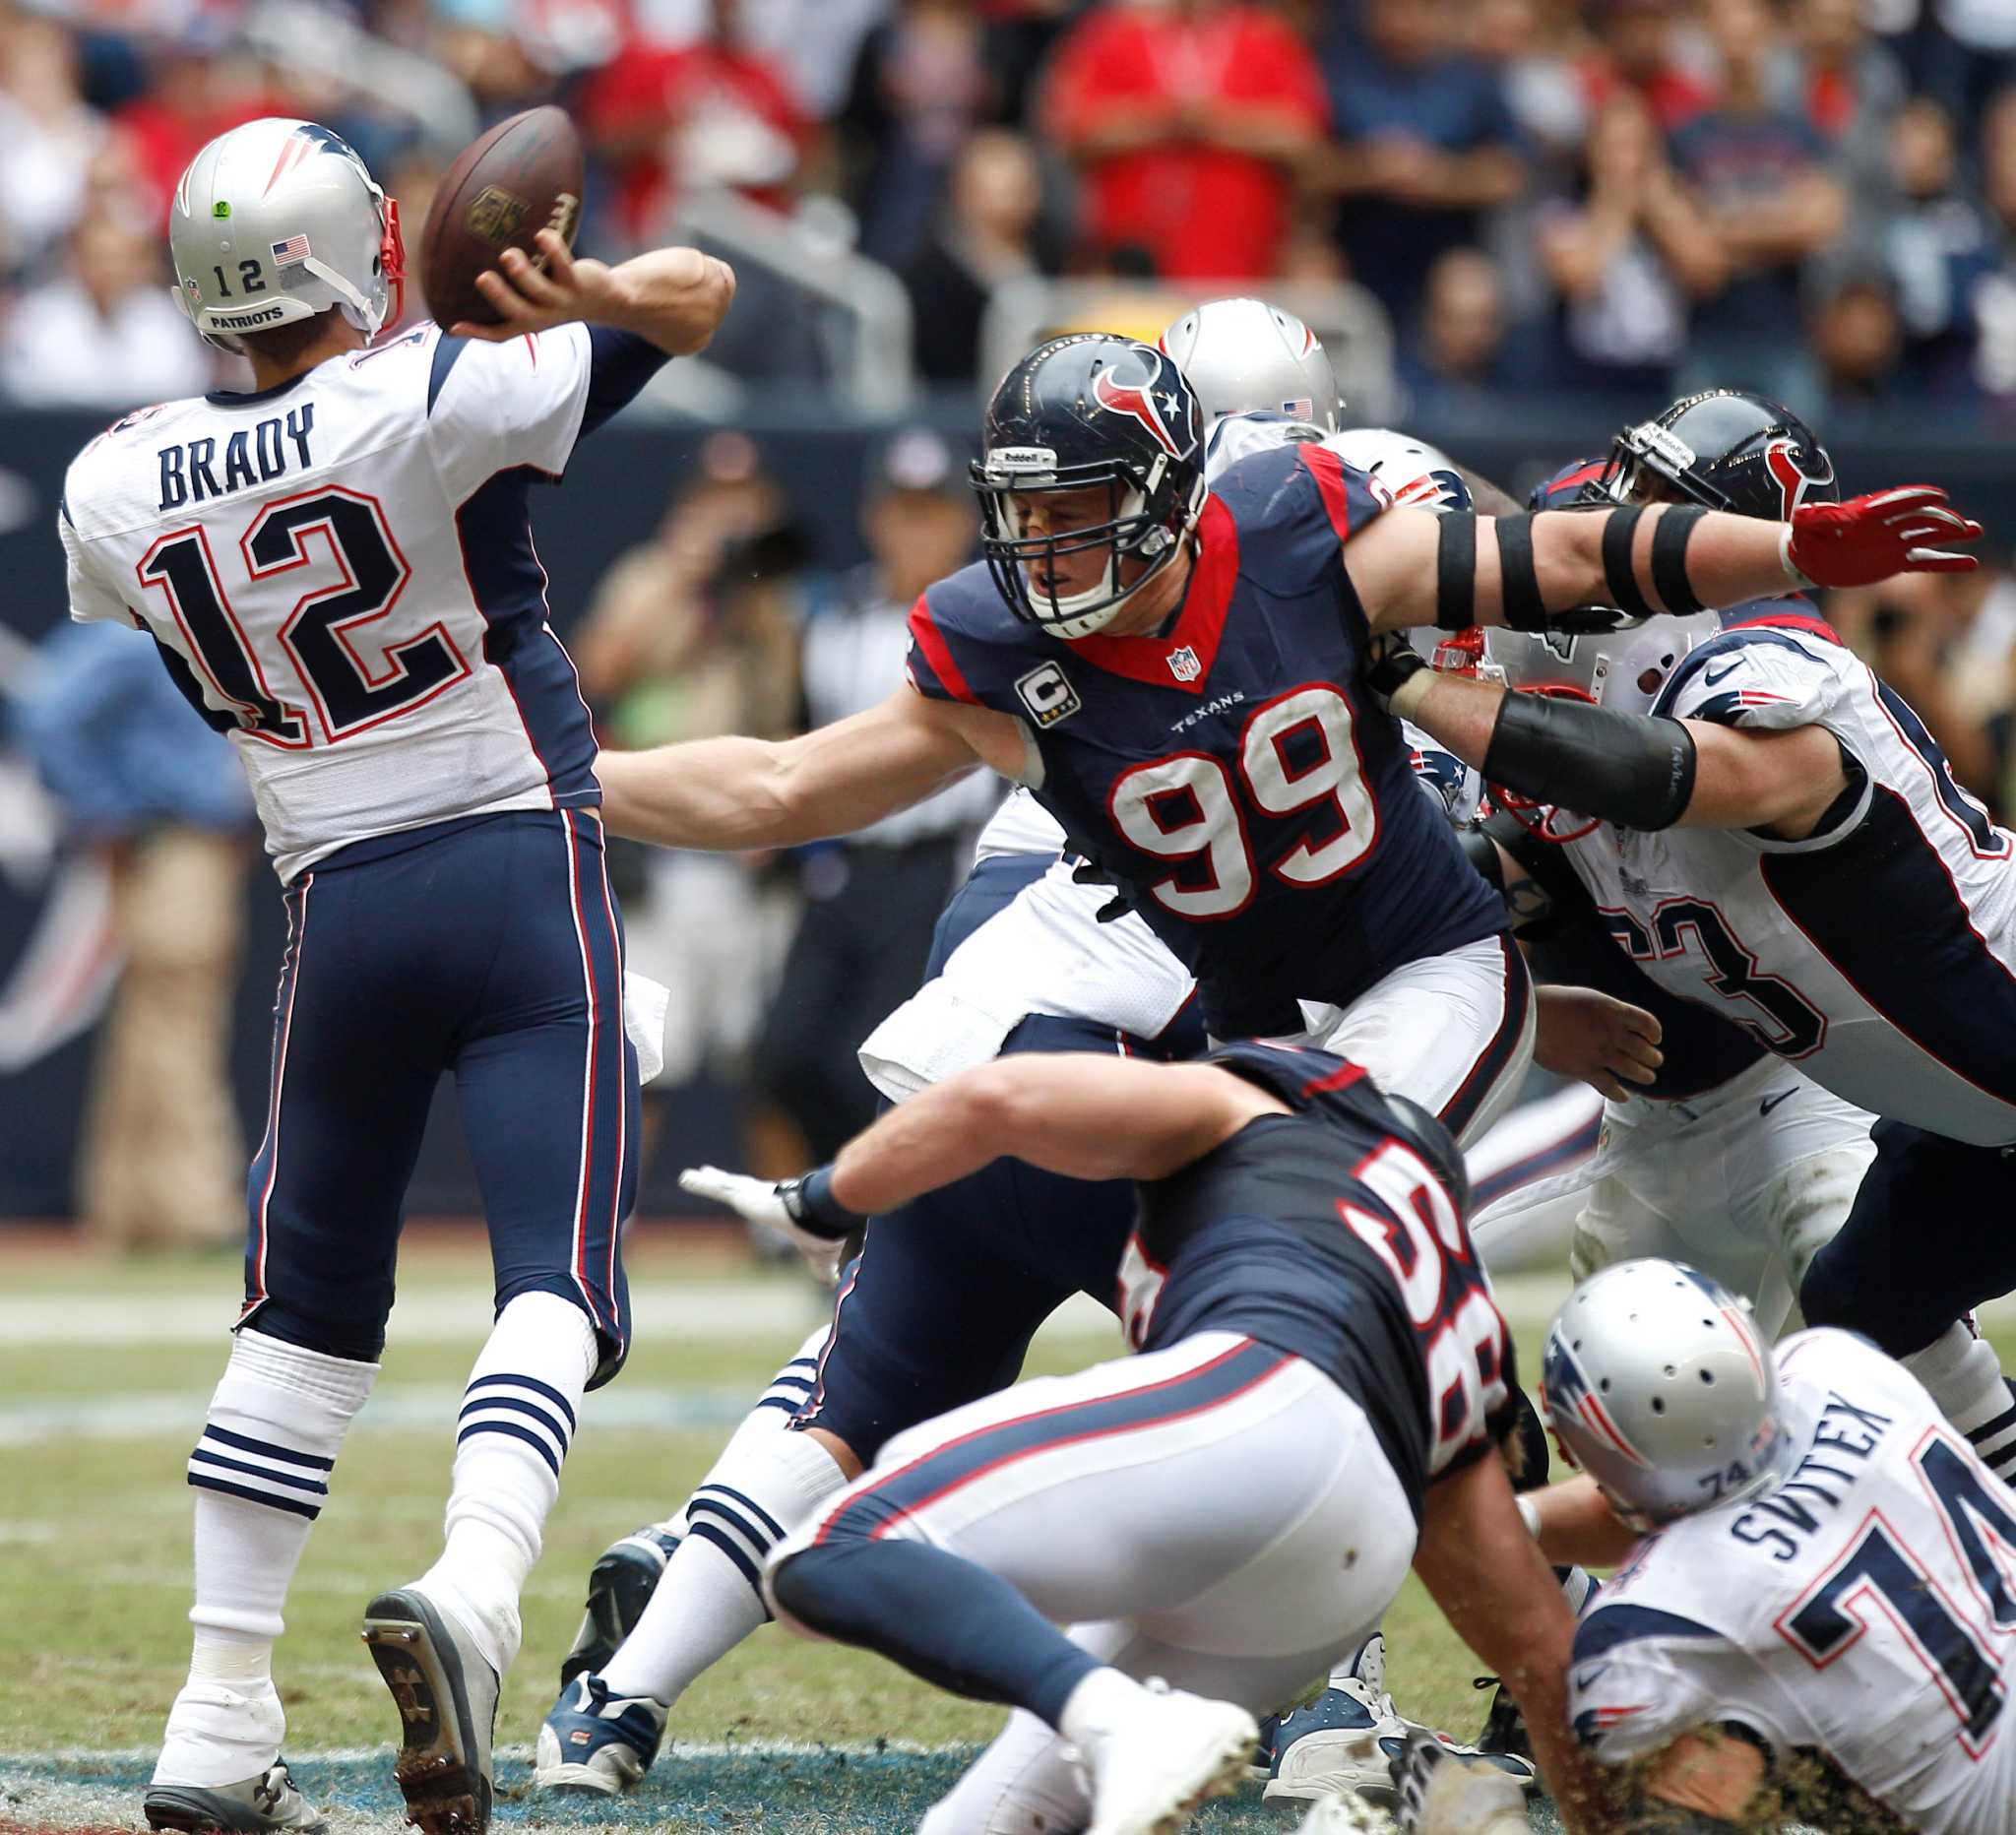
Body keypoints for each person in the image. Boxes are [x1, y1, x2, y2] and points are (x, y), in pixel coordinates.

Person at [55, 115, 731, 1835]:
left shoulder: (115, 476)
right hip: (513, 860)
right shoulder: (436, 388)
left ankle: (215, 1718)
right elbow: (704, 292)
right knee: (558, 1275)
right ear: (343, 246)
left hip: (334, 900)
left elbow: (161, 567)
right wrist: (571, 289)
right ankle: (481, 1589)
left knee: (298, 1317)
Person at [596, 332, 1966, 1153]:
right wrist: (558, 781)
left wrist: (1782, 550)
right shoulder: (1012, 649)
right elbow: (780, 783)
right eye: (1032, 509)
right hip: (1164, 963)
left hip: (1379, 956)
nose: (1044, 544)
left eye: (1080, 504)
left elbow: (1561, 561)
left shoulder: (1326, 531)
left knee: (1329, 1237)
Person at [1370, 391, 2016, 1495]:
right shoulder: (1596, 683)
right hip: (1961, 1112)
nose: (1623, 517)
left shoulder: (1771, 668)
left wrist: (1411, 683)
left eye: (1664, 503)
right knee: (1865, 1306)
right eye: (1629, 483)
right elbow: (1513, 878)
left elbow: (1669, 778)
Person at [764, 1041, 1610, 1835]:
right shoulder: (1449, 1306)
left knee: (829, 1553)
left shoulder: (1260, 1112)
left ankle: (1123, 1721)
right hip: (1343, 1569)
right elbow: (1538, 1639)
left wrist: (825, 1198)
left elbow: (997, 1093)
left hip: (1260, 1407)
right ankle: (1124, 1724)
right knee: (986, 1820)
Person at [1390, 1255, 2016, 1834]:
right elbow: (1695, 1495)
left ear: (1568, 1443)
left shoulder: (1651, 1627)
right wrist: (1509, 1526)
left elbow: (1613, 1817)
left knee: (1711, 1744)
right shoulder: (1838, 1366)